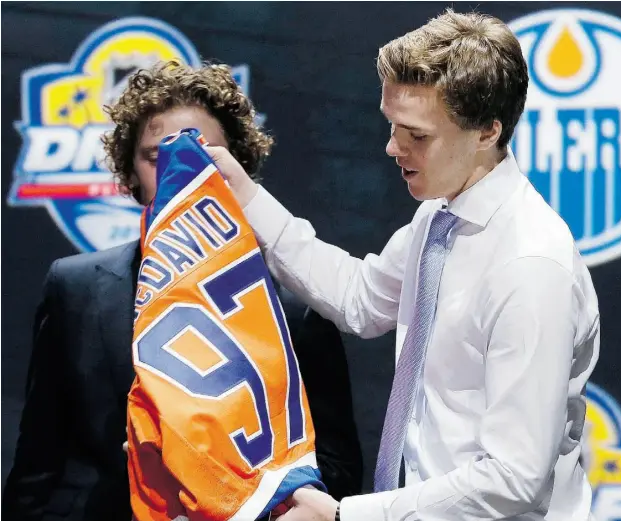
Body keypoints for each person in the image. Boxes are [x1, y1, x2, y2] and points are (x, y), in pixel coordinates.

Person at [210, 9, 600, 521]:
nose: (392, 147)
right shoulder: (438, 218)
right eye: (392, 126)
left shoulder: (529, 266)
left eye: (416, 135)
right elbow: (358, 299)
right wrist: (246, 194)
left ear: (486, 131)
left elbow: (514, 477)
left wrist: (349, 516)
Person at [2, 61, 363, 521]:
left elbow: (336, 468)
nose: (179, 170)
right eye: (157, 156)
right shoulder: (74, 287)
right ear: (130, 171)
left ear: (237, 164)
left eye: (201, 152)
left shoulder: (298, 304)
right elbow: (38, 463)